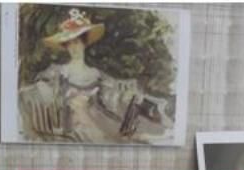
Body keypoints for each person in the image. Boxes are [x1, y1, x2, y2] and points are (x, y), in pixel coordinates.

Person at [19, 8, 172, 144]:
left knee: (117, 126)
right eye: (70, 44)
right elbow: (40, 88)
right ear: (65, 46)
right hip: (70, 125)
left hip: (96, 120)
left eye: (77, 42)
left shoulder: (96, 74)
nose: (74, 48)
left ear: (84, 44)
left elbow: (114, 91)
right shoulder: (58, 71)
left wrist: (127, 91)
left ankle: (155, 120)